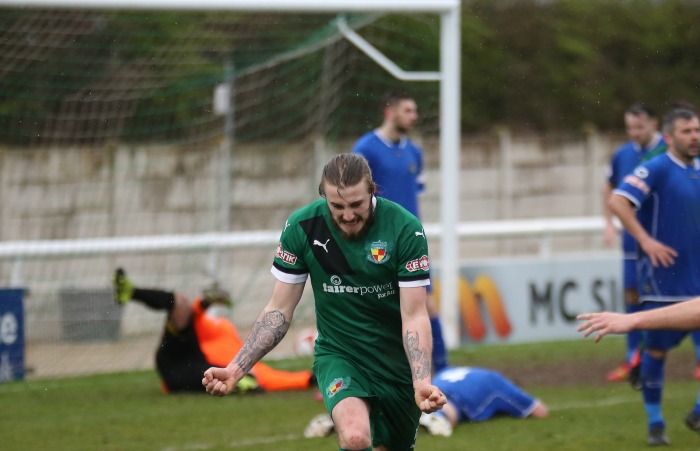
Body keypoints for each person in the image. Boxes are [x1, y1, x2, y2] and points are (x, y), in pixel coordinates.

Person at [201, 153, 447, 451]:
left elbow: (414, 314)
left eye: (356, 204)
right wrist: (236, 370)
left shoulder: (405, 228)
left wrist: (421, 381)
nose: (347, 215)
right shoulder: (303, 226)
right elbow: (278, 310)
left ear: (372, 189)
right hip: (340, 355)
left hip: (395, 365)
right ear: (323, 195)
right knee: (355, 437)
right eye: (337, 206)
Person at [606, 107, 700, 446]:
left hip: (697, 279)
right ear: (670, 137)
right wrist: (645, 240)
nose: (695, 136)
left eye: (697, 130)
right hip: (664, 281)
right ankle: (655, 423)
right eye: (687, 131)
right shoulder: (657, 167)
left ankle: (698, 412)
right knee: (656, 354)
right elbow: (618, 200)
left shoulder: (698, 170)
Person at [352, 91, 449, 373]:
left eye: (415, 111)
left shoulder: (414, 152)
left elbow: (414, 195)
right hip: (375, 243)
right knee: (367, 307)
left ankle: (442, 371)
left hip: (409, 241)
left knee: (426, 305)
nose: (414, 116)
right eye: (408, 110)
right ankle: (351, 371)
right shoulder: (366, 149)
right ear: (389, 111)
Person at [112, 268, 315, 394]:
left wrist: (308, 378)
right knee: (179, 302)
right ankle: (130, 291)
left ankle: (241, 387)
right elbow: (194, 315)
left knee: (241, 378)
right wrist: (205, 301)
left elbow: (270, 377)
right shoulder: (208, 327)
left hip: (191, 368)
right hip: (176, 355)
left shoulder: (235, 343)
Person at [602, 103, 666, 383]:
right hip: (633, 238)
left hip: (667, 237)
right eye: (629, 128)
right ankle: (633, 359)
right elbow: (610, 188)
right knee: (632, 295)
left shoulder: (671, 150)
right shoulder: (623, 154)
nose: (634, 133)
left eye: (639, 127)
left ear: (654, 123)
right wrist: (608, 222)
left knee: (689, 297)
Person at [304, 365, 549, 439]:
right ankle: (438, 418)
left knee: (424, 399)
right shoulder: (497, 381)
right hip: (453, 397)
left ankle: (346, 416)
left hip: (432, 383)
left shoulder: (454, 370)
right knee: (452, 406)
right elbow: (539, 411)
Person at [577, 297, 700, 441]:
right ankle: (656, 424)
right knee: (655, 351)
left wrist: (634, 319)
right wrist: (634, 319)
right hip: (662, 298)